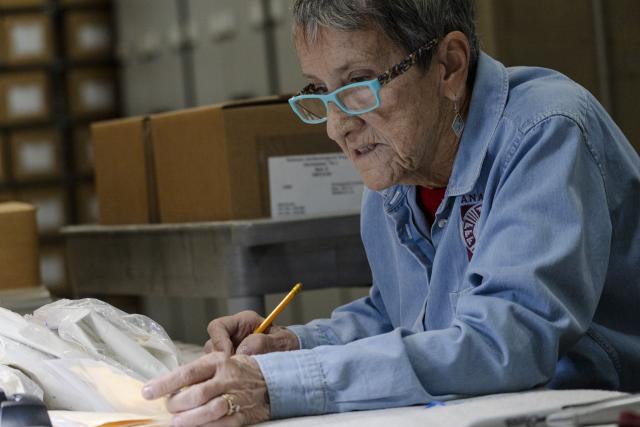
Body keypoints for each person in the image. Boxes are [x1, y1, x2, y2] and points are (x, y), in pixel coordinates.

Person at [141, 1, 640, 425]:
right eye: (319, 92)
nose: (338, 127)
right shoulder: (398, 163)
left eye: (359, 83)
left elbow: (503, 340)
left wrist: (281, 386)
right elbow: (402, 315)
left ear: (449, 65)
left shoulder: (545, 131)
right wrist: (294, 346)